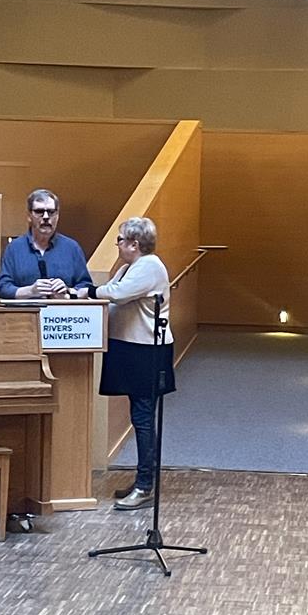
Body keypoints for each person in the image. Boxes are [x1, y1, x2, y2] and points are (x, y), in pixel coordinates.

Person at [76, 216, 175, 510]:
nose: (117, 244)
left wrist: (88, 292)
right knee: (139, 416)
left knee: (143, 418)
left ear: (134, 243)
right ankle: (143, 480)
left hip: (147, 351)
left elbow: (117, 294)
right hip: (131, 348)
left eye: (119, 240)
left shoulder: (150, 266)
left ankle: (145, 486)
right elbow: (111, 290)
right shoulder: (128, 267)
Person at [0, 188, 92, 299]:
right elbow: (2, 288)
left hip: (62, 309)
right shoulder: (14, 248)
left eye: (51, 212)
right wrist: (30, 291)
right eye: (39, 212)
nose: (46, 217)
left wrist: (68, 290)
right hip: (26, 310)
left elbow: (86, 286)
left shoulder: (72, 248)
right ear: (29, 216)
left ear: (57, 215)